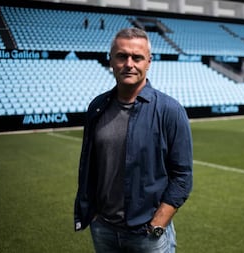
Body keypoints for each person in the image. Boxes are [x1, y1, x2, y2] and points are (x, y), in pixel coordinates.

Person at [74, 27, 193, 253]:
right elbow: (90, 165)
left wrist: (158, 223)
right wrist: (95, 215)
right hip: (104, 229)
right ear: (111, 60)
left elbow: (182, 176)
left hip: (147, 235)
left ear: (148, 62)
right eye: (122, 56)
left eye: (137, 57)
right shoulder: (97, 107)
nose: (129, 64)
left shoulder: (170, 110)